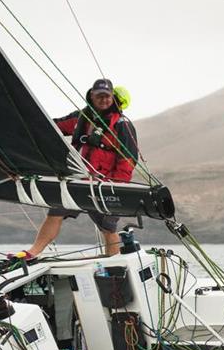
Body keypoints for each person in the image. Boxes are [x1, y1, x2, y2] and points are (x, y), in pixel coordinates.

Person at [11, 79, 138, 260]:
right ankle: (31, 253)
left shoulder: (122, 124)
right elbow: (53, 127)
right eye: (98, 95)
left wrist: (116, 187)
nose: (103, 100)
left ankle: (114, 263)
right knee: (55, 212)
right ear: (91, 96)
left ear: (113, 98)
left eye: (107, 96)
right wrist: (25, 125)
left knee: (108, 228)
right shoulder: (81, 117)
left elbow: (128, 160)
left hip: (105, 185)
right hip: (78, 180)